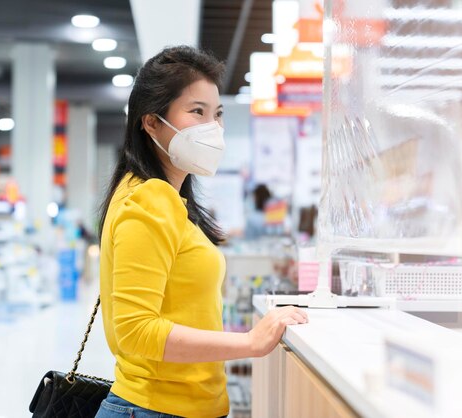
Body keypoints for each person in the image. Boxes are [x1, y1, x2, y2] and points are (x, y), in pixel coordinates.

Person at [96, 46, 308, 418]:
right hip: (154, 408)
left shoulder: (166, 199)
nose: (214, 127)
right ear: (151, 122)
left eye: (218, 114)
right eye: (197, 112)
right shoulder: (149, 199)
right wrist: (249, 342)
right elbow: (135, 330)